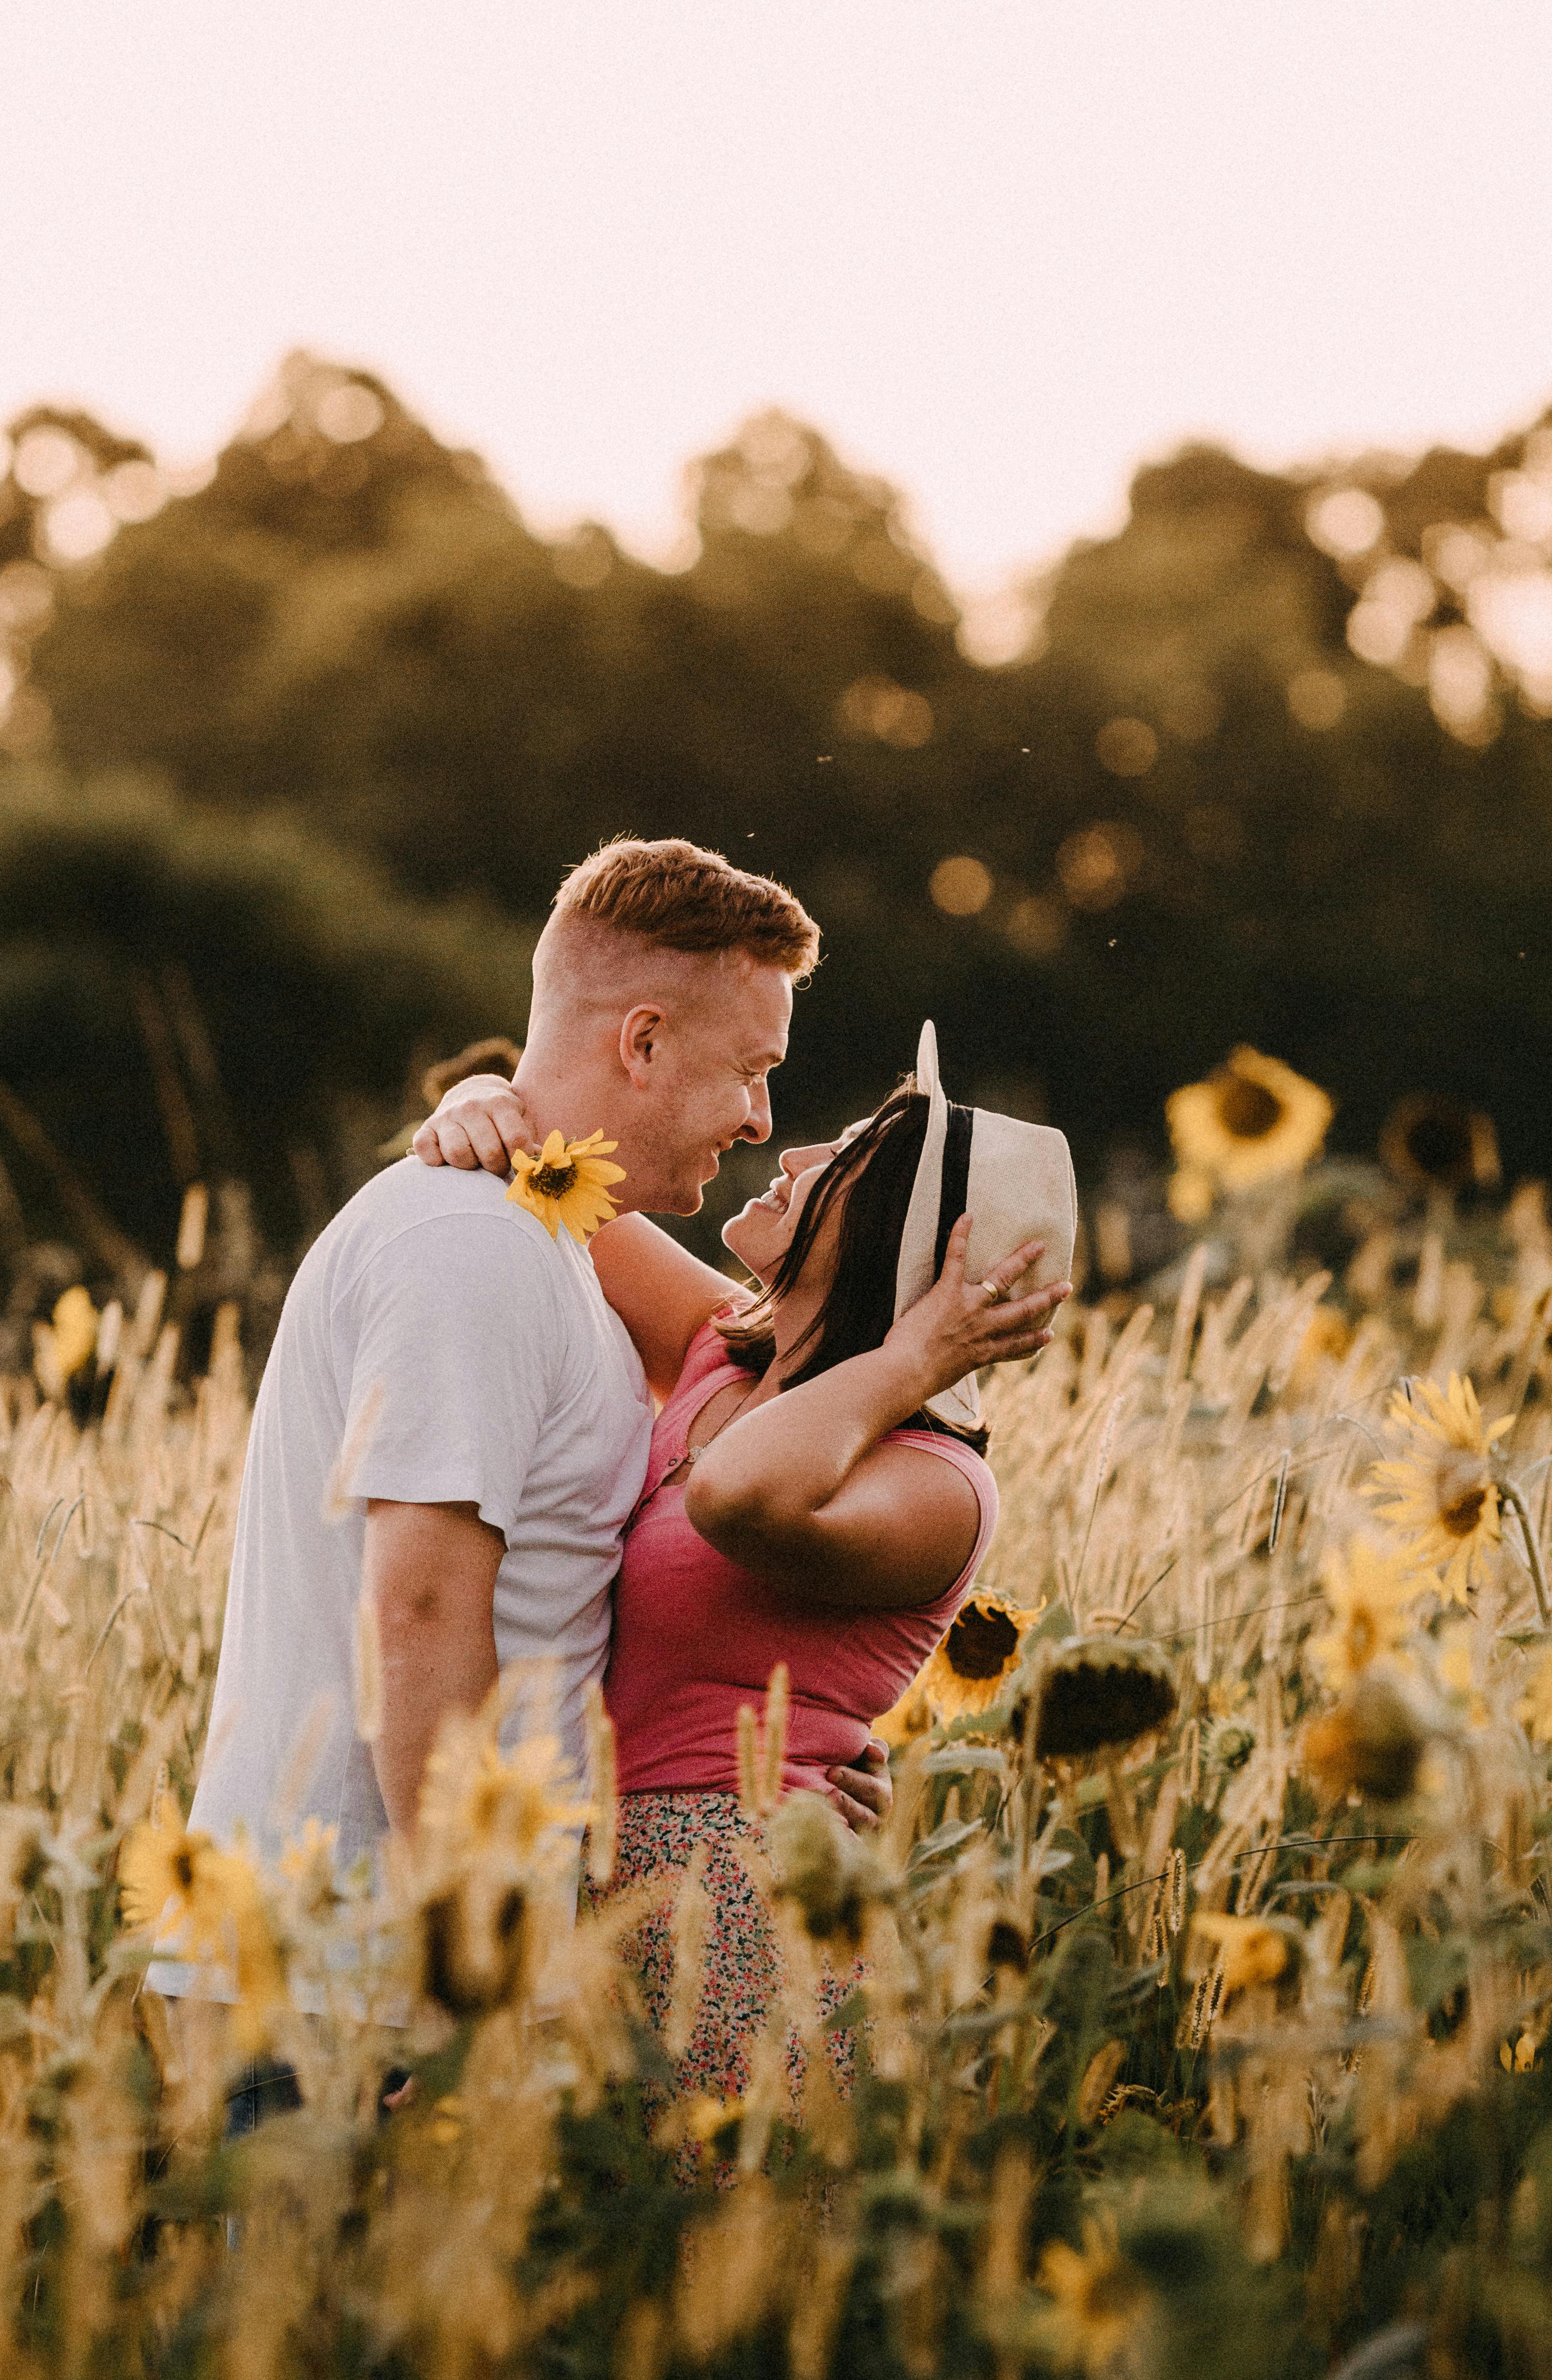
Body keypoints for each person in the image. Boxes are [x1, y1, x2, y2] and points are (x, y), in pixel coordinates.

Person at [150, 838, 897, 2030]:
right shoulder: (473, 1247)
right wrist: (469, 1993)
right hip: (352, 1983)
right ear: (642, 1042)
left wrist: (797, 1747)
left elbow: (768, 1366)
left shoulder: (542, 1231)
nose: (763, 1115)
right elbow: (424, 1614)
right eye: (751, 1068)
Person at [415, 1021, 1076, 2097]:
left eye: (844, 1159)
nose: (796, 1153)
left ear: (903, 1245)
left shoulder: (937, 1484)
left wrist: (914, 1358)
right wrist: (476, 1098)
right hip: (574, 1876)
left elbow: (734, 1499)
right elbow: (544, 1178)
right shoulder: (720, 1352)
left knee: (714, 2253)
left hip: (739, 1917)